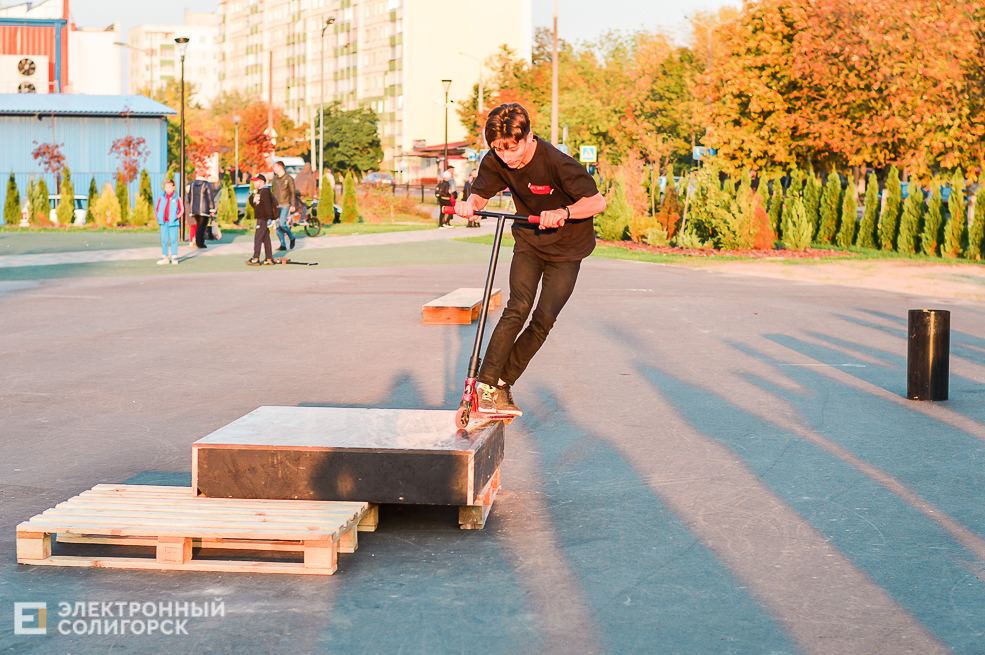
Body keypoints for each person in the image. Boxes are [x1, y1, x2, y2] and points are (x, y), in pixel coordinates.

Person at [453, 102, 607, 416]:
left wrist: (563, 212)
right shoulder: (496, 160)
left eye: (512, 148)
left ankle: (502, 382)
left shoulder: (557, 163)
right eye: (499, 149)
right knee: (518, 306)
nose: (507, 156)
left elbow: (596, 202)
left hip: (568, 249)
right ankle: (484, 386)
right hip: (530, 240)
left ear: (528, 137)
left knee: (543, 319)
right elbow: (481, 193)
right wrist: (470, 204)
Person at [247, 174, 277, 265]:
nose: (254, 182)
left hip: (263, 218)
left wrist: (269, 218)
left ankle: (255, 258)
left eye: (256, 181)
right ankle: (269, 258)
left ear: (262, 182)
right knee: (265, 238)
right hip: (260, 217)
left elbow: (268, 206)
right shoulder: (259, 192)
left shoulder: (265, 192)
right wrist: (251, 196)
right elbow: (255, 205)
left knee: (258, 238)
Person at [155, 179, 184, 265]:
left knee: (173, 240)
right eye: (166, 187)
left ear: (173, 187)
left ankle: (174, 256)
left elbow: (181, 210)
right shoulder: (161, 197)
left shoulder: (177, 198)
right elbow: (157, 208)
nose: (168, 189)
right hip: (163, 223)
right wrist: (158, 216)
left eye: (169, 187)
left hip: (173, 223)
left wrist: (176, 217)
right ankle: (165, 257)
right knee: (164, 240)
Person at [271, 161, 297, 251]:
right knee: (277, 226)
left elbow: (292, 192)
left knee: (282, 223)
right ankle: (282, 244)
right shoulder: (274, 179)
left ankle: (291, 237)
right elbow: (273, 192)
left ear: (280, 167)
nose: (274, 169)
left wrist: (293, 205)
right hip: (276, 205)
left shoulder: (289, 178)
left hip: (285, 204)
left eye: (275, 167)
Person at [187, 172, 216, 249]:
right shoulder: (207, 184)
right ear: (205, 175)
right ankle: (200, 243)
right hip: (204, 208)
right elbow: (210, 197)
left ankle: (198, 241)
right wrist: (212, 209)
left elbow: (189, 196)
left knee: (199, 225)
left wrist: (191, 206)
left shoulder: (192, 184)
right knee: (202, 226)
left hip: (194, 209)